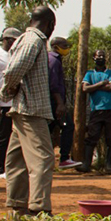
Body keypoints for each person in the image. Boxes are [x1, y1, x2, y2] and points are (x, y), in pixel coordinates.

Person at [0, 7, 57, 214]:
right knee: (44, 158)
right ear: (50, 24)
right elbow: (14, 70)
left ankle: (17, 206)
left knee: (18, 159)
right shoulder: (34, 39)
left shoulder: (26, 38)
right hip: (32, 110)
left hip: (22, 109)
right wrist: (9, 90)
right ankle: (39, 209)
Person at [76, 50, 111, 174]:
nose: (101, 58)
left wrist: (94, 87)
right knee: (91, 137)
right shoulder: (89, 73)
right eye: (98, 56)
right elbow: (85, 88)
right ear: (94, 58)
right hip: (97, 110)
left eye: (103, 56)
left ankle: (109, 165)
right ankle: (86, 164)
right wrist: (101, 83)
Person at [0, 27, 19, 178]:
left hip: (17, 103)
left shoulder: (16, 55)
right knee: (2, 135)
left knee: (16, 136)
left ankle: (10, 166)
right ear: (7, 40)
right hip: (2, 102)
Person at [47, 37, 81, 169]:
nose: (67, 48)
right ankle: (64, 158)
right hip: (54, 103)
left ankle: (50, 161)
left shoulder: (54, 60)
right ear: (55, 46)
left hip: (54, 102)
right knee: (67, 126)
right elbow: (53, 85)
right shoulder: (53, 61)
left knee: (49, 129)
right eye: (64, 45)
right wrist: (60, 104)